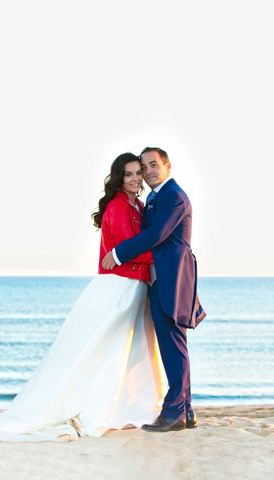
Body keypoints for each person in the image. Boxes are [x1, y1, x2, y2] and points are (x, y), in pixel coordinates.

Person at [0, 152, 166, 443]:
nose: (134, 179)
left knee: (121, 353)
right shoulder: (118, 207)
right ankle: (95, 411)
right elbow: (126, 250)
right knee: (98, 352)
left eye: (137, 173)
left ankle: (119, 408)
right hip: (118, 288)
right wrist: (166, 255)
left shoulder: (139, 206)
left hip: (134, 288)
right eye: (128, 174)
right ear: (118, 178)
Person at [102, 146, 206, 433]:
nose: (147, 172)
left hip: (172, 278)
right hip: (161, 279)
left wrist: (119, 253)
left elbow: (156, 235)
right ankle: (185, 410)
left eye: (152, 165)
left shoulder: (174, 196)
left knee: (173, 346)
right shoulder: (154, 198)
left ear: (167, 166)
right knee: (173, 345)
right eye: (143, 167)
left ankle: (173, 413)